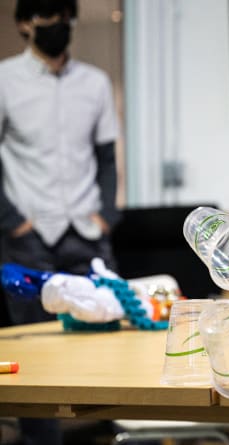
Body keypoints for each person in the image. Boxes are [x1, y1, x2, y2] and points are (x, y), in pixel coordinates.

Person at [0, 0, 120, 443]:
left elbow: (106, 157)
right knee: (35, 356)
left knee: (113, 337)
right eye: (48, 18)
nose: (59, 27)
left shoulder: (95, 82)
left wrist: (107, 214)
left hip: (87, 235)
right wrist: (12, 221)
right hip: (29, 235)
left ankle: (115, 434)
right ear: (24, 25)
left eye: (65, 18)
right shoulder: (4, 80)